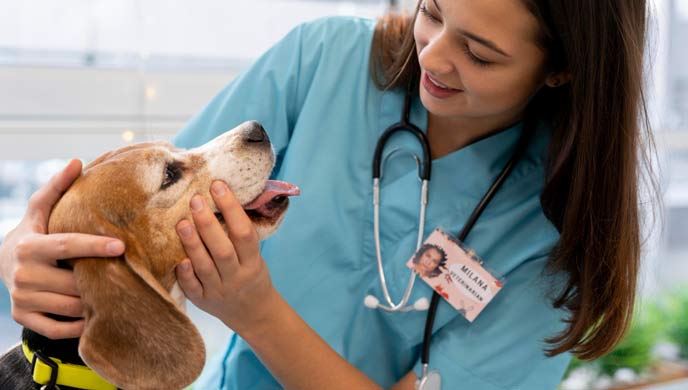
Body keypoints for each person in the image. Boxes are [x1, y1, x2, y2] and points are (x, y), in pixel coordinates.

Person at [0, 0, 655, 388]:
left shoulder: (555, 233)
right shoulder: (326, 59)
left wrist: (255, 312)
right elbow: (137, 214)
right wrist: (25, 255)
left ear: (562, 69)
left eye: (480, 54)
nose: (432, 56)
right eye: (431, 11)